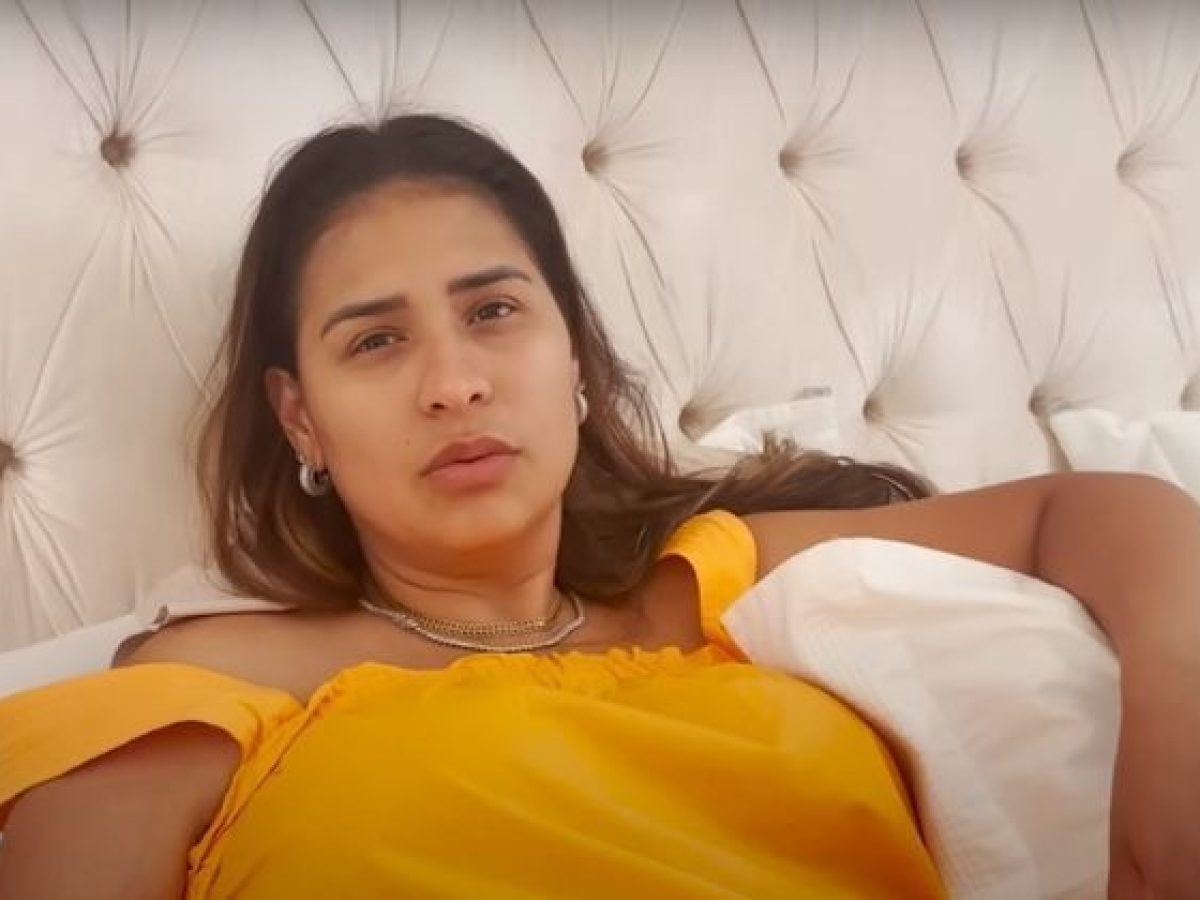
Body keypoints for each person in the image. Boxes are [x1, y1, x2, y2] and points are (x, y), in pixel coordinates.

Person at [0, 114, 1196, 900]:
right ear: (301, 418)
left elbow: (1093, 514)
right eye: (375, 341)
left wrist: (1169, 747)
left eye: (494, 312)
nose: (454, 382)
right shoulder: (193, 692)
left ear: (573, 355)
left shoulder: (718, 581)